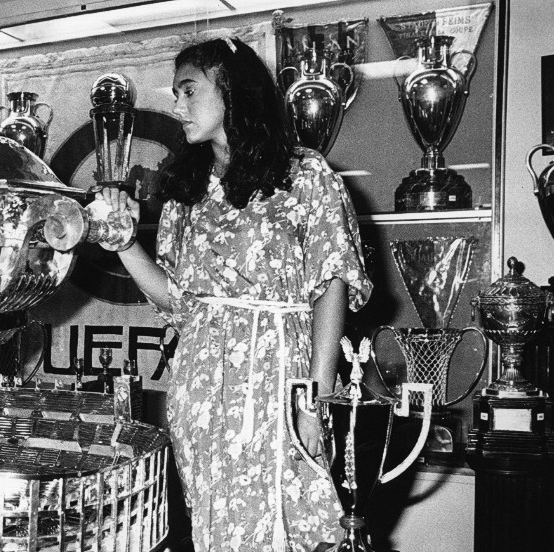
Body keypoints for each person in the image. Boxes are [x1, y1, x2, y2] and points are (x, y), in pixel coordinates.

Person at [99, 37, 372, 551]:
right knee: (213, 524)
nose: (177, 107)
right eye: (176, 94)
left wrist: (314, 399)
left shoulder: (304, 174)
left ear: (232, 90)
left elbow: (331, 284)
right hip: (200, 386)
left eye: (189, 91)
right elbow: (177, 302)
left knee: (299, 518)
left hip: (282, 376)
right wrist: (125, 245)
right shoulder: (186, 189)